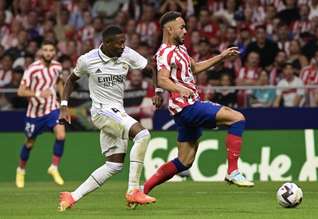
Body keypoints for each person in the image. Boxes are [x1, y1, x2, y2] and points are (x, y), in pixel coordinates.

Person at [143, 11, 254, 196]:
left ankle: (143, 189)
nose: (185, 31)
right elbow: (162, 79)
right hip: (188, 107)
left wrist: (221, 57)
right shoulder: (166, 52)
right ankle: (232, 172)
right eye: (182, 27)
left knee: (184, 161)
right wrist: (178, 89)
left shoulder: (179, 49)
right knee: (237, 119)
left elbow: (194, 68)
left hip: (183, 112)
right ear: (170, 29)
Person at [58, 26, 157, 211]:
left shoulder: (126, 54)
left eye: (124, 42)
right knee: (143, 135)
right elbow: (71, 79)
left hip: (116, 111)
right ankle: (133, 190)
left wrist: (158, 91)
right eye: (119, 43)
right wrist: (64, 106)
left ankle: (71, 196)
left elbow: (152, 67)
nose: (123, 46)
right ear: (107, 43)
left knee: (114, 165)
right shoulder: (87, 60)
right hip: (102, 111)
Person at [15, 41, 66, 188]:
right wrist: (38, 93)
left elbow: (59, 84)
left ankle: (54, 168)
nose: (48, 52)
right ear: (41, 52)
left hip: (52, 108)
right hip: (34, 113)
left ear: (54, 52)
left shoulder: (57, 66)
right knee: (30, 143)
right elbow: (20, 91)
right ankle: (21, 170)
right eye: (46, 50)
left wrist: (63, 105)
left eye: (51, 50)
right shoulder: (32, 69)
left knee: (61, 135)